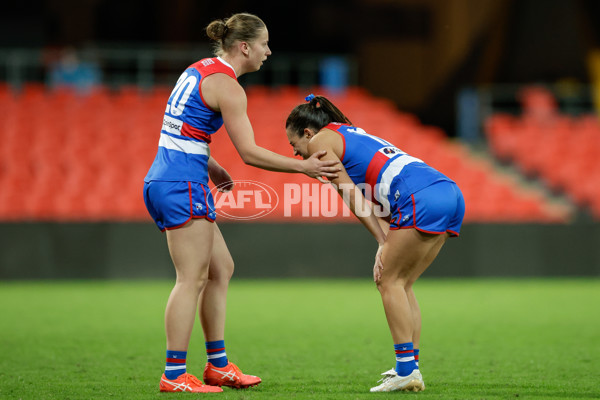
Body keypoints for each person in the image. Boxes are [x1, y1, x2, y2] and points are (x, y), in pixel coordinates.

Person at [143, 15, 340, 393]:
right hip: (179, 183)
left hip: (174, 176)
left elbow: (178, 127)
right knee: (192, 279)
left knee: (221, 269)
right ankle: (173, 374)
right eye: (264, 43)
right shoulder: (229, 88)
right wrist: (304, 166)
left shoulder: (199, 70)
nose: (269, 51)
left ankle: (217, 366)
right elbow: (249, 153)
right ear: (245, 46)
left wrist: (211, 164)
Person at [284, 94, 465, 393]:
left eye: (295, 146)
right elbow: (378, 199)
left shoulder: (319, 143)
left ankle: (406, 370)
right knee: (402, 283)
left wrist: (383, 241)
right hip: (446, 191)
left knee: (388, 280)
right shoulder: (349, 133)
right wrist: (384, 240)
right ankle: (410, 368)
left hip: (418, 196)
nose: (297, 154)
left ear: (307, 133)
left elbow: (350, 194)